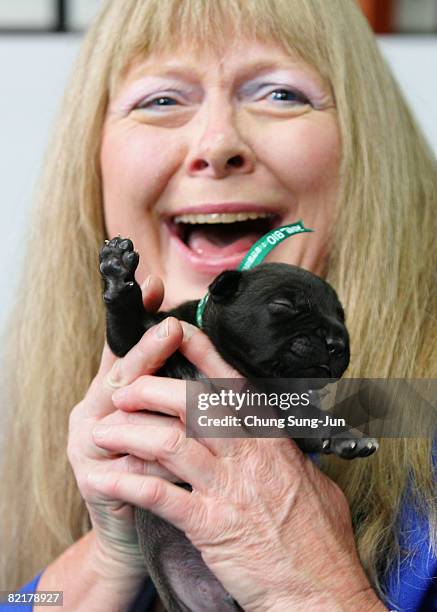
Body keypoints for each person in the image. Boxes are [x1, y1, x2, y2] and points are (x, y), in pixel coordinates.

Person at [0, 0, 436, 610]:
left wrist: (317, 589)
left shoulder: (407, 414)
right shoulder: (37, 419)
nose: (217, 144)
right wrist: (108, 560)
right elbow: (19, 607)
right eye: (160, 100)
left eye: (282, 93)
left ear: (368, 152)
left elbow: (381, 414)